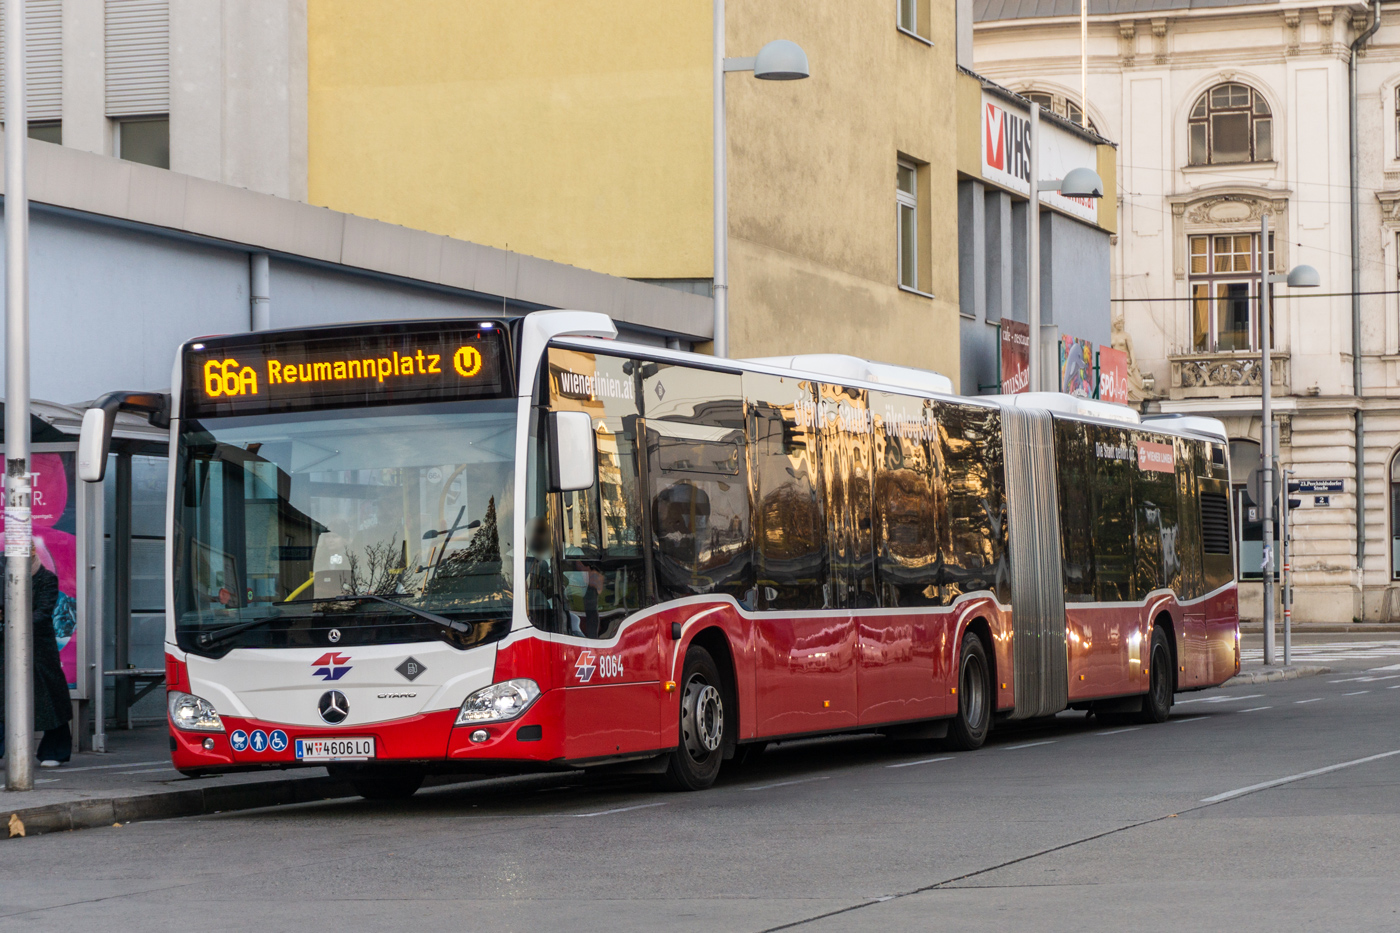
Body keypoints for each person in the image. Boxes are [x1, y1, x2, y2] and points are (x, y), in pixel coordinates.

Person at [0, 553, 73, 767]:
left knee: (50, 698)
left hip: (39, 647)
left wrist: (15, 623)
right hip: (7, 644)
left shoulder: (46, 578)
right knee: (4, 696)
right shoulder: (5, 574)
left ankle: (55, 751)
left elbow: (44, 611)